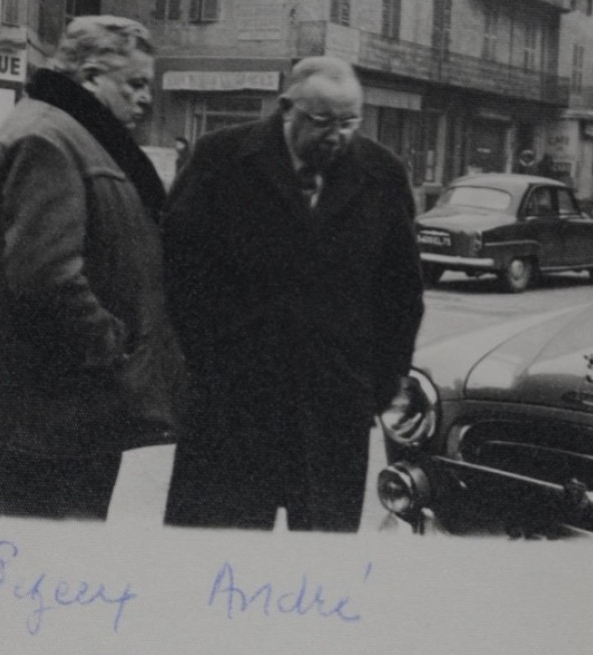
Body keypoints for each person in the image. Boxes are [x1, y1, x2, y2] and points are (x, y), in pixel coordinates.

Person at [162, 56, 425, 532]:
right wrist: (200, 367)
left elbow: (400, 295)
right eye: (323, 121)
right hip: (232, 410)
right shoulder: (221, 158)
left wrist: (377, 384)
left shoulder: (382, 174)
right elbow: (177, 271)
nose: (338, 135)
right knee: (211, 560)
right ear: (287, 108)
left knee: (319, 570)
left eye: (350, 122)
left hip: (331, 413)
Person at [0, 16, 182, 520]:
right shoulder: (49, 139)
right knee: (47, 545)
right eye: (135, 84)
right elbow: (45, 277)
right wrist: (113, 345)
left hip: (63, 404)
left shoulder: (73, 134)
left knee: (30, 532)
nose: (146, 99)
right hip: (56, 407)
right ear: (88, 76)